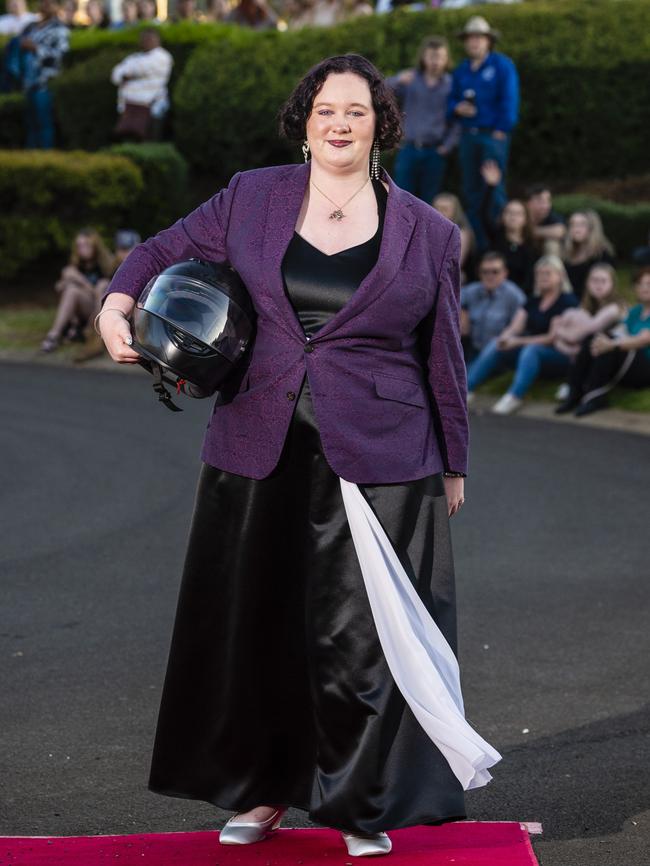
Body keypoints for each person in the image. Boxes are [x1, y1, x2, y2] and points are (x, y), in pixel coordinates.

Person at [95, 52, 500, 858]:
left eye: (355, 110)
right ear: (304, 124)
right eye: (325, 111)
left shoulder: (429, 231)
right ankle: (261, 792)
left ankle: (356, 804)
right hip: (258, 442)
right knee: (256, 624)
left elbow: (443, 360)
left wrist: (452, 462)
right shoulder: (253, 195)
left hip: (383, 455)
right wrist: (116, 303)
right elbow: (157, 252)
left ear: (380, 123)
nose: (340, 123)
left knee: (360, 642)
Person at [467, 254, 578, 414]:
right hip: (529, 352)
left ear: (560, 276)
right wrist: (505, 337)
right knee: (496, 343)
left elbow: (551, 338)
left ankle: (514, 396)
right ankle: (465, 389)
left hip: (559, 354)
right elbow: (515, 327)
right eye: (539, 274)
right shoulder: (533, 301)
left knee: (531, 349)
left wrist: (516, 342)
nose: (542, 277)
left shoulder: (567, 301)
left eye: (548, 273)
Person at [448, 16, 519, 251]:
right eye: (470, 38)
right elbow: (450, 103)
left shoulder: (502, 66)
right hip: (468, 135)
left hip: (492, 136)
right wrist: (457, 108)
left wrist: (501, 130)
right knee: (471, 191)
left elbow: (509, 101)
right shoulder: (461, 71)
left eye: (479, 38)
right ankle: (478, 246)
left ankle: (499, 244)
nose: (475, 42)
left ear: (488, 41)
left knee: (494, 188)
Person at [556, 267, 650, 417]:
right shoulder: (635, 311)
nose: (644, 288)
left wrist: (611, 344)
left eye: (648, 284)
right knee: (596, 338)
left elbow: (644, 339)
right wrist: (601, 342)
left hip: (645, 371)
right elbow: (619, 331)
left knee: (608, 344)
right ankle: (575, 392)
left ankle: (595, 397)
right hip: (626, 363)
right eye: (641, 284)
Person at [386, 36, 460, 204]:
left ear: (446, 59)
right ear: (423, 57)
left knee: (430, 201)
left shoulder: (451, 85)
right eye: (431, 56)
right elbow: (381, 91)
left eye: (440, 57)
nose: (435, 61)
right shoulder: (410, 79)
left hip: (435, 151)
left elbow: (457, 120)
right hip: (409, 149)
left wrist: (447, 146)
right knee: (400, 198)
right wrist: (397, 80)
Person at [41, 228, 115, 353]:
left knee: (102, 285)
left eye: (86, 245)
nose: (82, 249)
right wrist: (75, 282)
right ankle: (54, 334)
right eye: (79, 246)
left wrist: (82, 283)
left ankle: (93, 331)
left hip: (101, 309)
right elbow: (59, 287)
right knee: (70, 288)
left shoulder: (107, 264)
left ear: (95, 245)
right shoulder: (77, 265)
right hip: (83, 308)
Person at [479, 160, 537, 294]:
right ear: (503, 217)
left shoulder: (531, 246)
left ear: (525, 219)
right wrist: (490, 187)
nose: (513, 216)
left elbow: (529, 281)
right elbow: (483, 214)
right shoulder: (496, 237)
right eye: (509, 212)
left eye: (518, 214)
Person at [18, 0, 69, 148]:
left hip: (45, 82)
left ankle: (46, 156)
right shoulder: (32, 27)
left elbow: (61, 54)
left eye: (50, 3)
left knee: (44, 122)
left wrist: (36, 48)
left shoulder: (60, 28)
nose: (45, 5)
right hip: (28, 81)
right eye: (43, 2)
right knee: (30, 124)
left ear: (57, 6)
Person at [460, 251, 526, 363]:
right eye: (485, 272)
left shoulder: (514, 295)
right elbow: (448, 302)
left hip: (500, 354)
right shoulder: (471, 291)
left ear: (505, 273)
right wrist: (462, 311)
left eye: (495, 272)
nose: (489, 276)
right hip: (472, 350)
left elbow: (522, 325)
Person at [110, 28, 173, 141]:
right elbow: (116, 74)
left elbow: (141, 69)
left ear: (157, 40)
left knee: (150, 141)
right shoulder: (134, 57)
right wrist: (128, 74)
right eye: (143, 39)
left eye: (149, 39)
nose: (145, 41)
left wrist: (129, 74)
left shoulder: (163, 56)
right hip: (129, 108)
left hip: (151, 108)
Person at [561, 210, 615, 300]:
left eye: (582, 225)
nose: (576, 229)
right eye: (572, 224)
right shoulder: (566, 254)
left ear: (592, 228)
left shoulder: (602, 254)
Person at [432, 192, 475, 281]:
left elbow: (455, 264)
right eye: (436, 208)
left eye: (444, 209)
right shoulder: (429, 229)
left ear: (455, 212)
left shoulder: (461, 233)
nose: (439, 212)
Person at [525, 183, 566, 255]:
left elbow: (560, 231)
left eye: (548, 200)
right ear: (528, 202)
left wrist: (529, 232)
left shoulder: (551, 215)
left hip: (542, 258)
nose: (545, 205)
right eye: (540, 200)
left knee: (552, 244)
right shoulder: (521, 214)